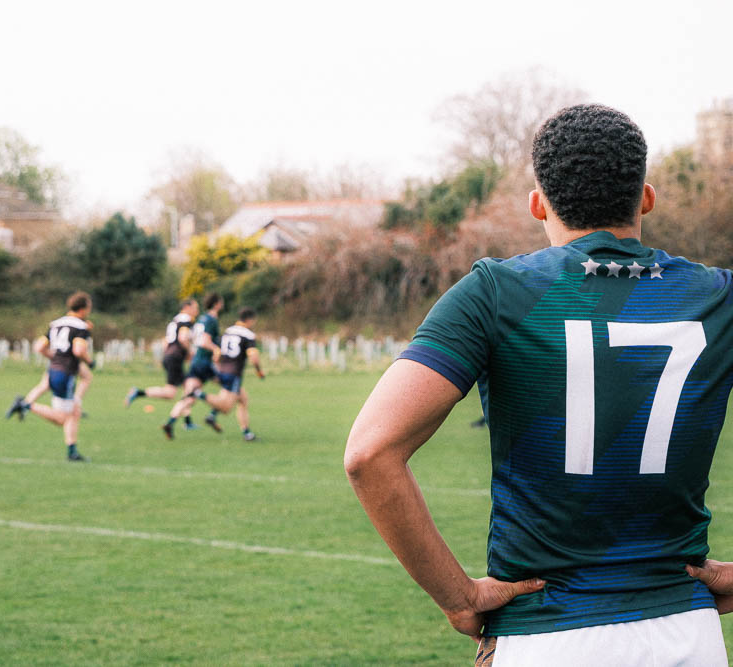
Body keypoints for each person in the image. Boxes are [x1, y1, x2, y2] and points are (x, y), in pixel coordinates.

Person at [344, 104, 733, 666]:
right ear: (646, 197)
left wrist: (459, 598)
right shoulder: (717, 297)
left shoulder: (496, 293)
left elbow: (370, 453)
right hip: (687, 634)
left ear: (538, 204)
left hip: (548, 635)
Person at [6, 291, 94, 462]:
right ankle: (25, 405)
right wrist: (90, 362)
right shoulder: (81, 327)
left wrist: (56, 358)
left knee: (73, 413)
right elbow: (78, 350)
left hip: (54, 368)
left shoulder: (56, 324)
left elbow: (39, 347)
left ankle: (72, 452)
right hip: (66, 373)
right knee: (63, 418)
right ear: (84, 309)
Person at [185, 307, 264, 442]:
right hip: (234, 374)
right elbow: (254, 357)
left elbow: (218, 352)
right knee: (226, 407)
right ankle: (198, 394)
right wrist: (259, 370)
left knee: (243, 399)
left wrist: (217, 364)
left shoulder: (228, 331)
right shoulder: (248, 334)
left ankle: (245, 432)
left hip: (221, 370)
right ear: (250, 320)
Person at [125, 300, 200, 432]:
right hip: (175, 358)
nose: (197, 311)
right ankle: (139, 392)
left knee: (187, 388)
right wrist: (189, 353)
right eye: (195, 308)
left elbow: (166, 342)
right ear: (187, 307)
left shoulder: (174, 321)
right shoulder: (186, 320)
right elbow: (183, 338)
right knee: (174, 392)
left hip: (169, 357)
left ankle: (187, 421)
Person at [161, 292, 225, 438]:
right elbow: (204, 341)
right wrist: (216, 349)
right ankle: (212, 415)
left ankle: (170, 422)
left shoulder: (200, 319)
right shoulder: (211, 320)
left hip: (196, 362)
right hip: (204, 362)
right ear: (217, 304)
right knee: (228, 387)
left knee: (188, 396)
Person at [10, 320, 95, 421]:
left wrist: (53, 356)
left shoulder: (59, 323)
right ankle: (25, 405)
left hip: (58, 361)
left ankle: (24, 405)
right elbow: (77, 348)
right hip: (66, 362)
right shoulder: (78, 325)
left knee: (45, 385)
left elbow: (39, 346)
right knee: (62, 414)